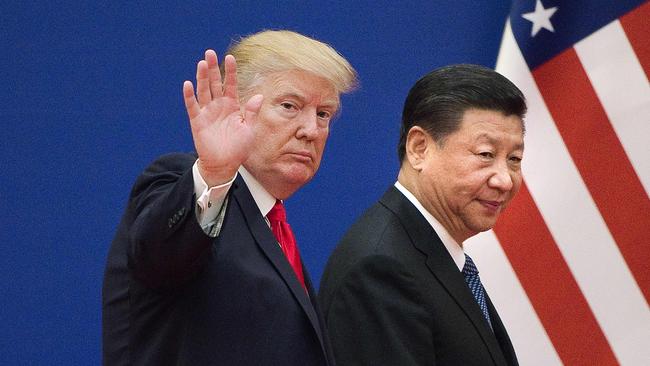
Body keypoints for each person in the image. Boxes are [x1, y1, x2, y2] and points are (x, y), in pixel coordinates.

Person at [102, 30, 357, 366]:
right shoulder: (182, 182)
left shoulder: (271, 222)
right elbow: (157, 256)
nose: (310, 129)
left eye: (323, 114)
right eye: (289, 106)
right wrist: (214, 173)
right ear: (236, 110)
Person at [319, 64, 525, 366]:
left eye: (514, 159)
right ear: (419, 148)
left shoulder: (433, 253)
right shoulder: (380, 268)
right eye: (485, 155)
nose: (504, 180)